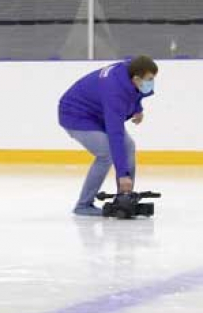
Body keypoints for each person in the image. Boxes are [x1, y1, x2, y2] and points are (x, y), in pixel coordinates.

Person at [58, 55, 157, 216]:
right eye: (149, 79)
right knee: (106, 153)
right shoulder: (114, 92)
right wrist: (122, 174)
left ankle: (124, 197)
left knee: (129, 146)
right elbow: (115, 134)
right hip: (75, 114)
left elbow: (135, 94)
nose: (152, 83)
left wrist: (137, 109)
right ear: (137, 78)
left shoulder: (131, 72)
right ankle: (83, 205)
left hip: (99, 112)